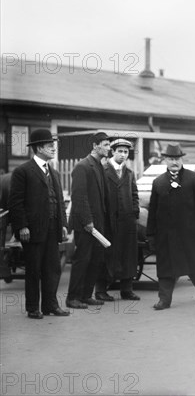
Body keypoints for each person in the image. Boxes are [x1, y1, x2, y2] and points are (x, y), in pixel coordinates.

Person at [8, 129, 70, 318]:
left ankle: (50, 305)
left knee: (52, 268)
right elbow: (16, 203)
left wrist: (63, 224)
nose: (53, 148)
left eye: (53, 145)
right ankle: (33, 308)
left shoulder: (55, 173)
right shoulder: (22, 172)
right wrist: (22, 226)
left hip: (53, 228)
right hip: (32, 230)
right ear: (39, 148)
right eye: (50, 145)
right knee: (34, 269)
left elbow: (58, 200)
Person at [146, 144, 195, 310]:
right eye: (171, 159)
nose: (174, 162)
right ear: (165, 160)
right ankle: (164, 300)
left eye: (177, 159)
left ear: (182, 160)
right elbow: (153, 210)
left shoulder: (194, 179)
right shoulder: (158, 182)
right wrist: (151, 234)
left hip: (190, 233)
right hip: (166, 235)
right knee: (165, 268)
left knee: (194, 265)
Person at [66, 132, 111, 309]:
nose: (109, 148)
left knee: (95, 260)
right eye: (106, 145)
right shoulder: (82, 167)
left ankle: (86, 295)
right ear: (95, 145)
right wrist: (87, 221)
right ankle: (72, 298)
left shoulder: (99, 166)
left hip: (97, 224)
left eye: (109, 145)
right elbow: (79, 197)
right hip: (86, 225)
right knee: (82, 259)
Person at [95, 139, 140, 302]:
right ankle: (100, 290)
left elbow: (134, 194)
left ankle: (126, 290)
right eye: (120, 151)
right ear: (113, 152)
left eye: (126, 152)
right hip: (108, 221)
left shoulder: (129, 173)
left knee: (128, 255)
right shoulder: (102, 170)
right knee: (107, 255)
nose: (123, 154)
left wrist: (134, 211)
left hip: (127, 221)